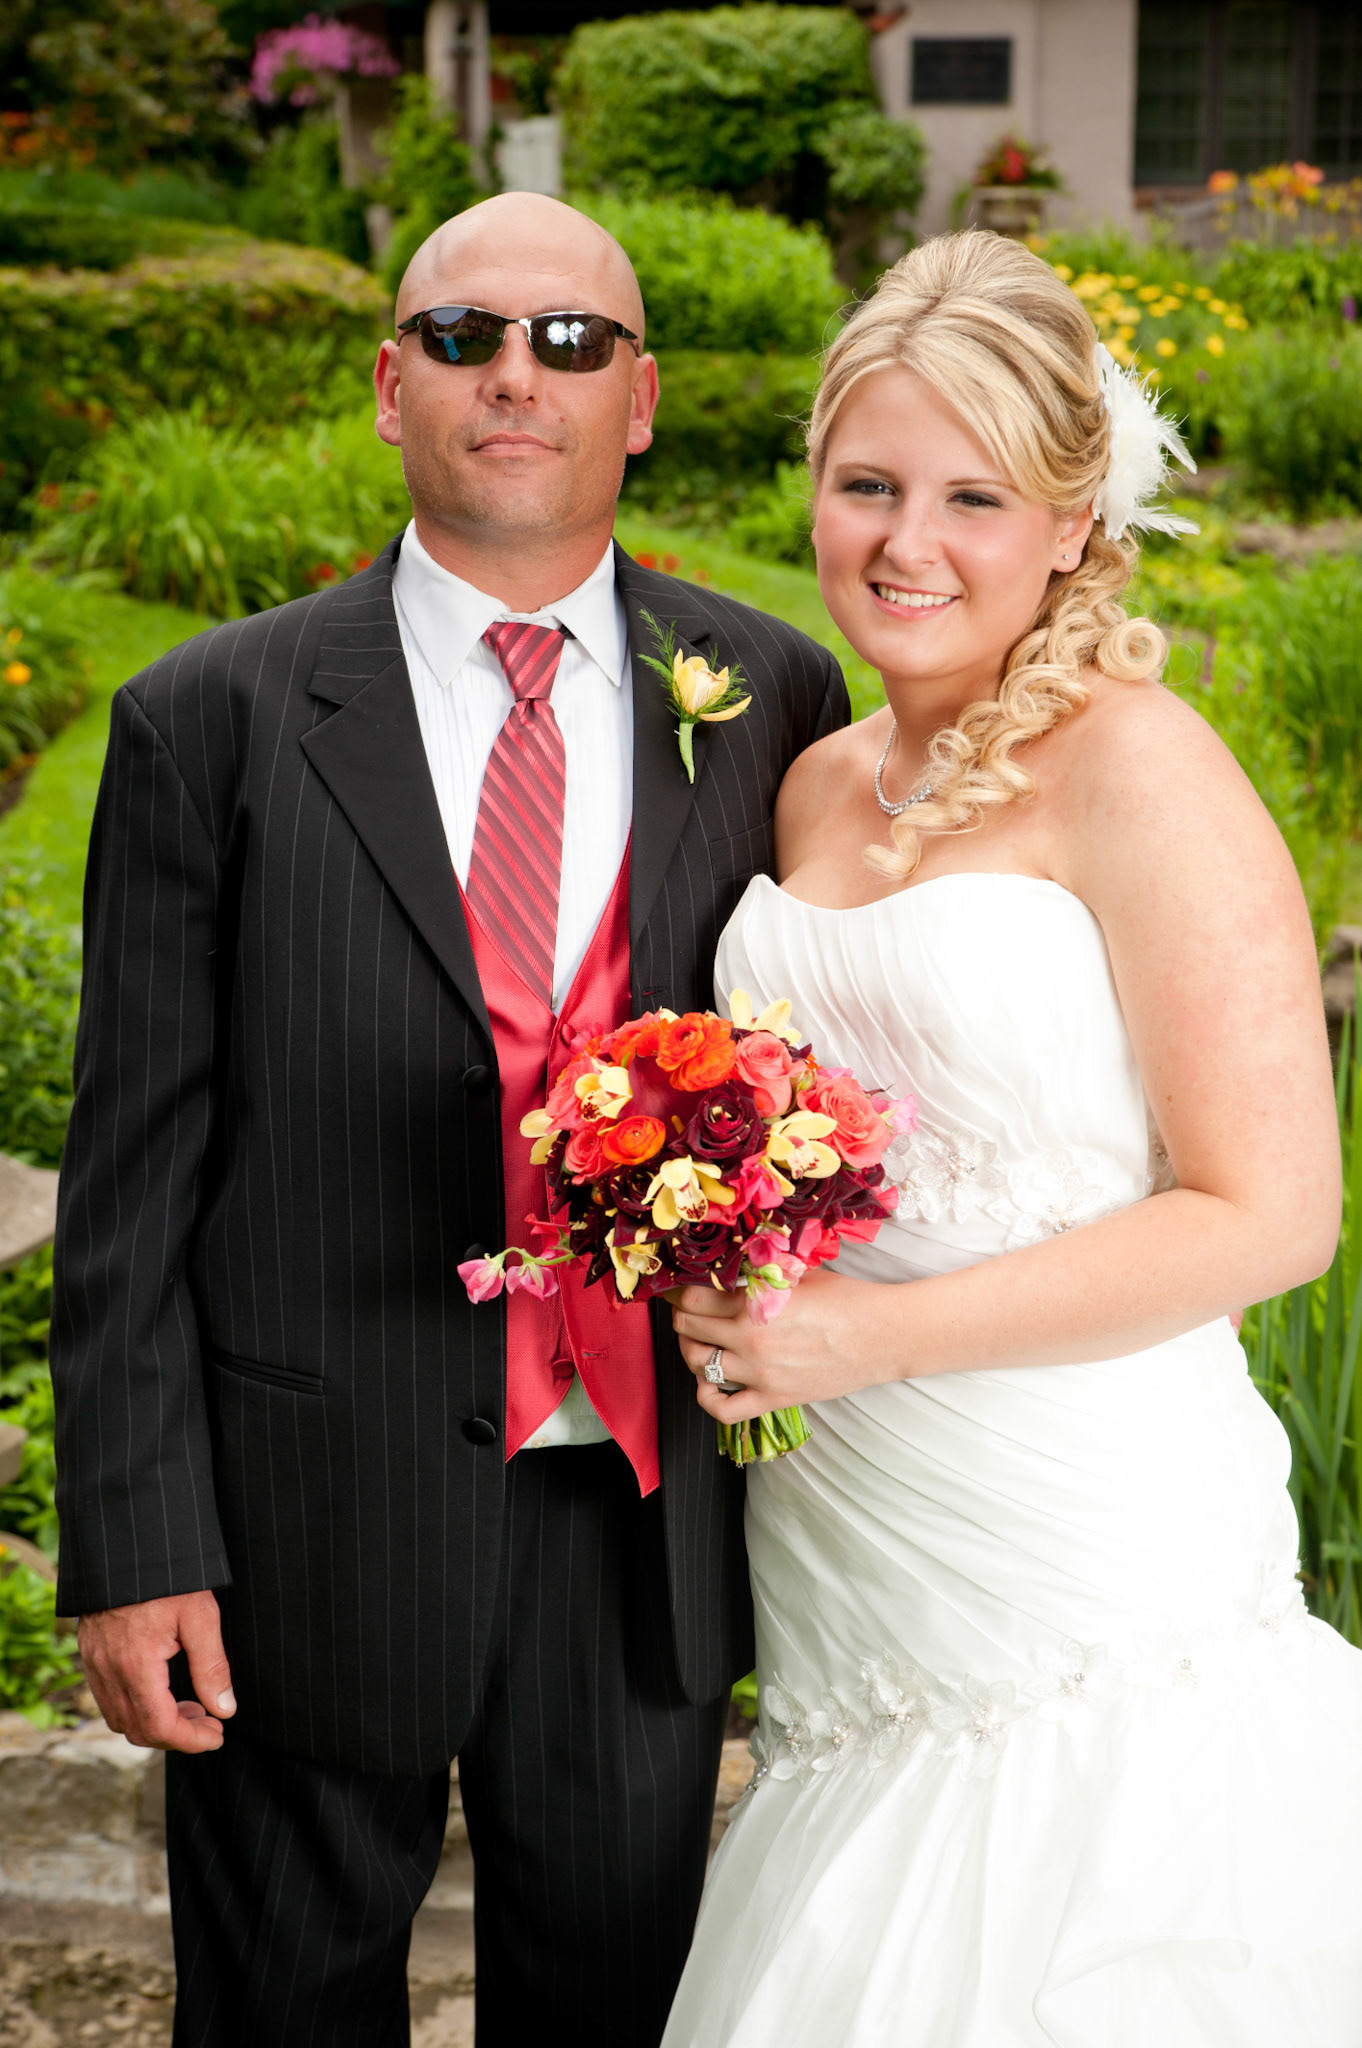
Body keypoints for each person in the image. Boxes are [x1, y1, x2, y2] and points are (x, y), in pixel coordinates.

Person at [49, 192, 849, 2046]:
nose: (515, 375)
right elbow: (130, 1183)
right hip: (305, 1514)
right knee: (277, 2008)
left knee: (613, 2009)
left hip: (632, 1518)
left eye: (569, 342)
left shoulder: (766, 698)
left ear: (638, 399)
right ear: (388, 382)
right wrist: (136, 1540)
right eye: (463, 335)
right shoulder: (209, 717)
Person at [662, 231, 1362, 2045]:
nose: (909, 541)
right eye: (868, 485)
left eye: (972, 496)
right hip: (854, 1551)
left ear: (1068, 525)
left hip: (1078, 1535)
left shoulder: (1139, 767)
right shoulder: (811, 780)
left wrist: (868, 1337)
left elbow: (1273, 1212)